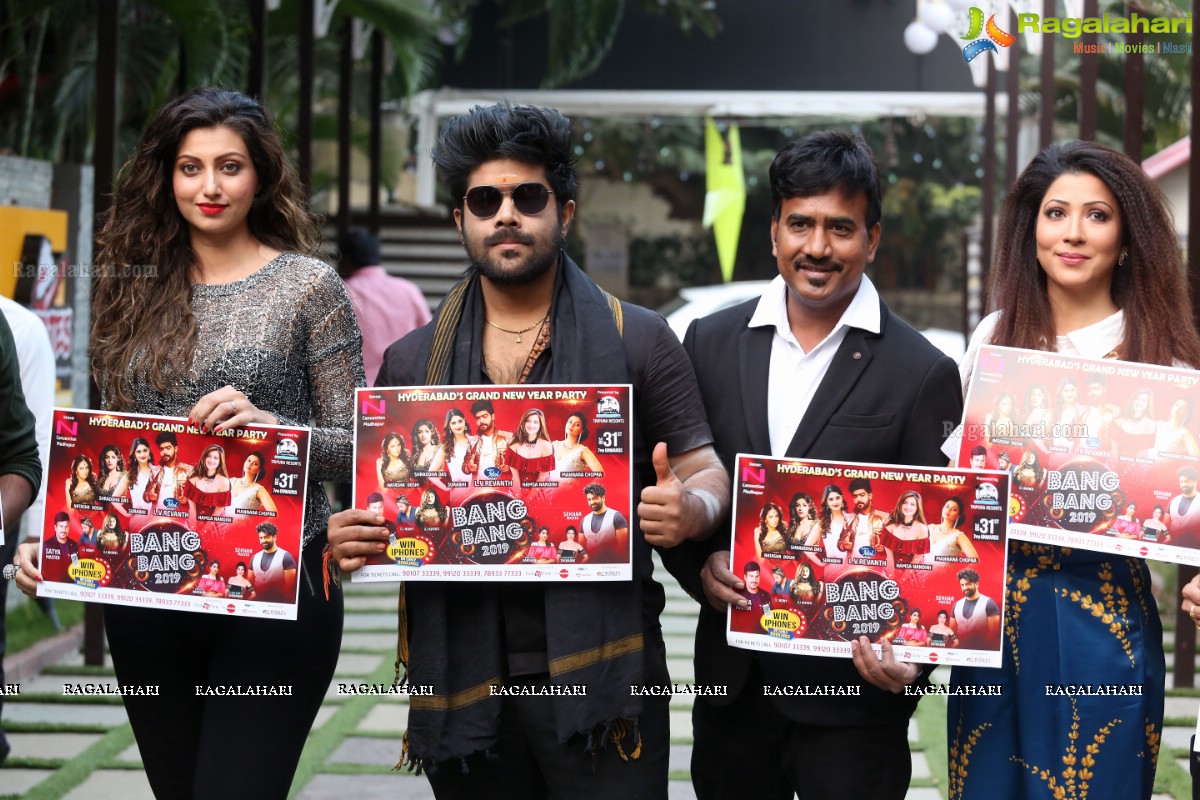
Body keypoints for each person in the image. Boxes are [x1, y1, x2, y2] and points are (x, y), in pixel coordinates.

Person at [326, 102, 729, 796]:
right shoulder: (410, 364)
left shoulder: (639, 338)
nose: (505, 214)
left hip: (606, 676)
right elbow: (387, 511)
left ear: (564, 214)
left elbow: (703, 468)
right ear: (461, 220)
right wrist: (353, 536)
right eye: (485, 200)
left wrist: (690, 509)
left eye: (527, 197)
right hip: (464, 675)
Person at [13, 87, 361, 798]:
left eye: (229, 166)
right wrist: (54, 544)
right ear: (166, 177)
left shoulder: (308, 287)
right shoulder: (128, 288)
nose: (209, 186)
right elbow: (107, 449)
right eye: (190, 167)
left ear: (261, 175)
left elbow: (358, 445)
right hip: (147, 588)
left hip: (277, 582)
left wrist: (273, 428)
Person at [679, 130, 962, 800]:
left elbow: (941, 549)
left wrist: (914, 662)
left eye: (840, 228)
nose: (817, 247)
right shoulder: (710, 342)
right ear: (774, 230)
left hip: (855, 701)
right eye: (800, 223)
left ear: (872, 239)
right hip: (734, 689)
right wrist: (699, 565)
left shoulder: (922, 370)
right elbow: (682, 482)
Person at [948, 140, 1200, 799]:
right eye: (1056, 212)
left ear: (1127, 236)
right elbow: (960, 482)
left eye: (1097, 215)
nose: (1073, 233)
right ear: (1032, 227)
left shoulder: (1168, 363)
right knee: (989, 782)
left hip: (1108, 611)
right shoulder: (994, 340)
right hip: (998, 615)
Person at [339, 228, 431, 385]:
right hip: (405, 389)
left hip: (359, 393)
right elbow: (431, 337)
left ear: (346, 260)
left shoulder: (342, 294)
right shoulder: (408, 290)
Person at [949, 568, 1000, 650]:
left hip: (981, 652)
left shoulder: (989, 603)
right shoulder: (956, 605)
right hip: (959, 652)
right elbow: (951, 630)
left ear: (976, 584)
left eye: (968, 584)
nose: (965, 588)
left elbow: (993, 633)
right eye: (962, 585)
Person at [579, 482, 629, 562]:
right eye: (589, 499)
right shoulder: (584, 520)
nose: (592, 502)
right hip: (589, 566)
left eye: (595, 498)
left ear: (603, 498)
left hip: (611, 564)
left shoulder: (616, 516)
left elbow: (622, 546)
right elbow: (580, 547)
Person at [184, 444, 232, 528]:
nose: (211, 460)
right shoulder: (193, 477)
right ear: (204, 457)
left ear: (220, 461)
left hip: (214, 525)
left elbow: (217, 513)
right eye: (209, 456)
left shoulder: (224, 482)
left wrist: (203, 532)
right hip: (193, 521)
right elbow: (192, 509)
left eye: (215, 458)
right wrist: (193, 528)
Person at [146, 431, 193, 514]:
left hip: (179, 520)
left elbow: (198, 498)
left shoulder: (189, 471)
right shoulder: (154, 471)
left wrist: (187, 499)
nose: (165, 452)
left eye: (168, 448)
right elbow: (145, 494)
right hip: (156, 519)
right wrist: (149, 496)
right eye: (161, 449)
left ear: (175, 449)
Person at [249, 521, 298, 603]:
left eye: (266, 537)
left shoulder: (286, 556)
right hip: (256, 604)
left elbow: (289, 586)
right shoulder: (254, 557)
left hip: (277, 604)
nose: (263, 540)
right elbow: (249, 583)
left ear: (274, 537)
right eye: (261, 538)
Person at [463, 399, 512, 480]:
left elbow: (520, 465)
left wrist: (510, 467)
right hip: (478, 490)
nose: (481, 421)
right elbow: (464, 467)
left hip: (501, 489)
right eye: (478, 418)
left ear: (492, 416)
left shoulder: (508, 438)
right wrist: (469, 467)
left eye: (484, 416)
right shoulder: (472, 441)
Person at [844, 477, 890, 562]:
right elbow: (840, 542)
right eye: (855, 496)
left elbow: (894, 545)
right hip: (852, 568)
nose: (858, 499)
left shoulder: (885, 518)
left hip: (876, 568)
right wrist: (843, 545)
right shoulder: (849, 519)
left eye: (862, 495)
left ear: (870, 495)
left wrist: (884, 548)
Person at [506, 408, 555, 486]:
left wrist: (530, 496)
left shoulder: (546, 446)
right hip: (517, 487)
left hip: (540, 489)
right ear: (523, 422)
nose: (531, 425)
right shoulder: (513, 443)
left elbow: (542, 479)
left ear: (540, 425)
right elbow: (515, 476)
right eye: (528, 421)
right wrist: (518, 492)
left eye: (535, 422)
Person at [880, 490, 929, 566]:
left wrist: (904, 577)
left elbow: (916, 561)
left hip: (914, 571)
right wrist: (891, 575)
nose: (908, 507)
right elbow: (889, 558)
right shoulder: (890, 526)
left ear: (917, 508)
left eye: (912, 504)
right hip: (890, 569)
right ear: (900, 504)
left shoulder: (922, 529)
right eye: (905, 502)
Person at [551, 411, 604, 481]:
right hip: (547, 490)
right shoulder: (554, 445)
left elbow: (601, 475)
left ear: (581, 431)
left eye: (577, 424)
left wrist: (587, 491)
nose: (571, 425)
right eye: (570, 422)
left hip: (568, 491)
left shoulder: (582, 451)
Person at [228, 450, 277, 514]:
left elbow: (274, 514)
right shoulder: (231, 481)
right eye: (249, 460)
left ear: (259, 470)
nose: (250, 464)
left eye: (255, 463)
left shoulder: (258, 490)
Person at [1113, 388, 1156, 459]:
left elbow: (1143, 451)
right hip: (1114, 462)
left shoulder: (1150, 425)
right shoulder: (1119, 419)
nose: (1139, 402)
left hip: (1135, 466)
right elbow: (1113, 448)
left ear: (1148, 404)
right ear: (1132, 399)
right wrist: (1113, 466)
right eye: (1137, 398)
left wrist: (1127, 469)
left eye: (1144, 401)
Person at [813, 483, 852, 561]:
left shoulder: (852, 518)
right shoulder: (822, 523)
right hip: (833, 569)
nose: (835, 502)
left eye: (837, 498)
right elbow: (807, 547)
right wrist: (821, 563)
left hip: (852, 568)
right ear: (826, 502)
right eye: (831, 499)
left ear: (842, 498)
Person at [730, 561, 772, 633]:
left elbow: (768, 616)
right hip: (742, 635)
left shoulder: (765, 595)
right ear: (745, 577)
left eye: (757, 576)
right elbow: (733, 621)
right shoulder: (737, 594)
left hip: (762, 636)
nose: (754, 580)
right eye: (751, 576)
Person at [124, 437, 158, 518]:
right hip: (138, 520)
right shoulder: (130, 475)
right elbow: (115, 498)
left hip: (156, 519)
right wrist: (127, 514)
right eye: (138, 452)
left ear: (149, 450)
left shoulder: (158, 471)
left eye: (145, 450)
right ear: (134, 454)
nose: (142, 454)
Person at [40, 511, 77, 584]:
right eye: (61, 526)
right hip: (52, 586)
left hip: (71, 586)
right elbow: (43, 570)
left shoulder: (73, 545)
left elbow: (76, 565)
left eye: (66, 527)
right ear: (55, 527)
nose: (64, 530)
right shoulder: (46, 545)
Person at [1167, 467, 1200, 545]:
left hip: (1194, 546)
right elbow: (1165, 526)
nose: (1183, 484)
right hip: (1172, 545)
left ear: (1195, 482)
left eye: (1186, 481)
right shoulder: (1173, 501)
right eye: (1181, 482)